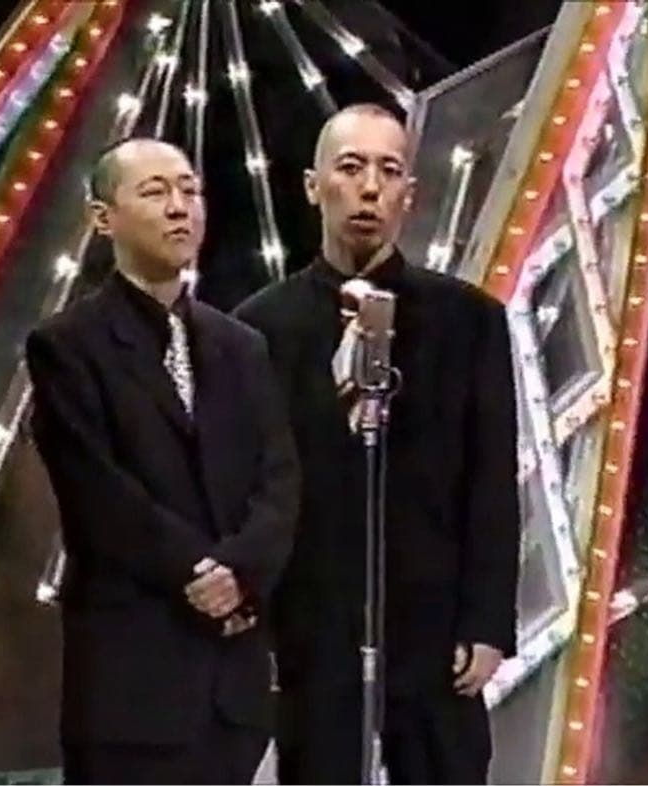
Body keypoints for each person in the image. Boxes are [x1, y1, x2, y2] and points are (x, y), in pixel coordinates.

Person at [234, 104, 520, 784]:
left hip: (437, 633)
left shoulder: (469, 320)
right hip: (313, 633)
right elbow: (248, 489)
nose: (369, 187)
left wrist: (486, 622)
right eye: (351, 167)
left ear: (409, 194)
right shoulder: (257, 330)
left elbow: (491, 481)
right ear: (313, 186)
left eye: (389, 171)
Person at [25, 137, 299, 784]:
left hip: (234, 684)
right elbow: (98, 493)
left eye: (190, 190)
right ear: (103, 219)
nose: (180, 208)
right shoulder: (68, 346)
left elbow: (280, 479)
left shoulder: (242, 345)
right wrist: (198, 572)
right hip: (133, 684)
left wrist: (241, 569)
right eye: (155, 192)